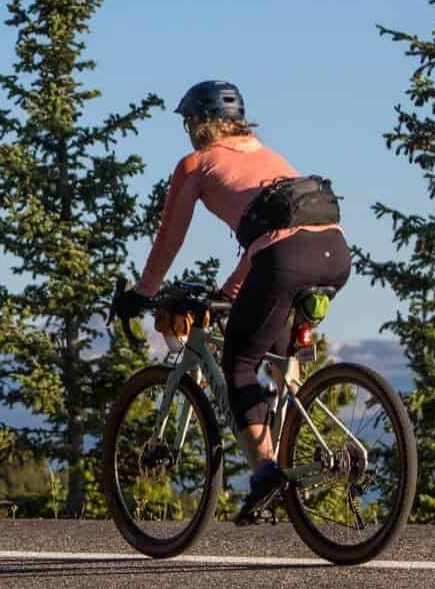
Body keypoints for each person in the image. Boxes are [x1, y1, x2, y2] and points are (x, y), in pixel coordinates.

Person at [115, 81, 349, 525]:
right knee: (282, 355)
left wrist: (143, 292)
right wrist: (230, 292)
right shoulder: (268, 156)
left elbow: (170, 238)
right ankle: (293, 439)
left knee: (239, 365)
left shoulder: (197, 164)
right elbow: (272, 234)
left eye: (188, 122)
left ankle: (264, 474)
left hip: (284, 259)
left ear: (197, 123)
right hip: (334, 252)